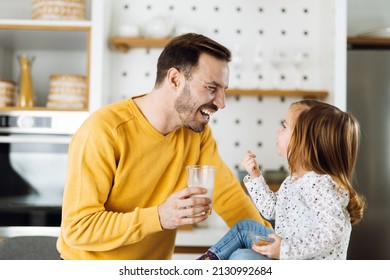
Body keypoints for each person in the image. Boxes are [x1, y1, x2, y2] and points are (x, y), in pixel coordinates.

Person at [56, 33, 272, 260]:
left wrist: (274, 247)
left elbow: (230, 199)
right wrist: (159, 217)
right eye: (211, 88)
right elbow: (78, 228)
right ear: (175, 80)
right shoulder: (104, 131)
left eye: (223, 90)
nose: (221, 102)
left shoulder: (196, 135)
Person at [197, 99, 366, 260]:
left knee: (241, 257)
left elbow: (332, 233)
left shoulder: (319, 184)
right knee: (245, 227)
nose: (278, 130)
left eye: (285, 126)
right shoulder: (294, 181)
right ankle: (207, 261)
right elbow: (271, 210)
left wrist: (284, 250)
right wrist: (255, 177)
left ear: (305, 142)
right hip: (288, 256)